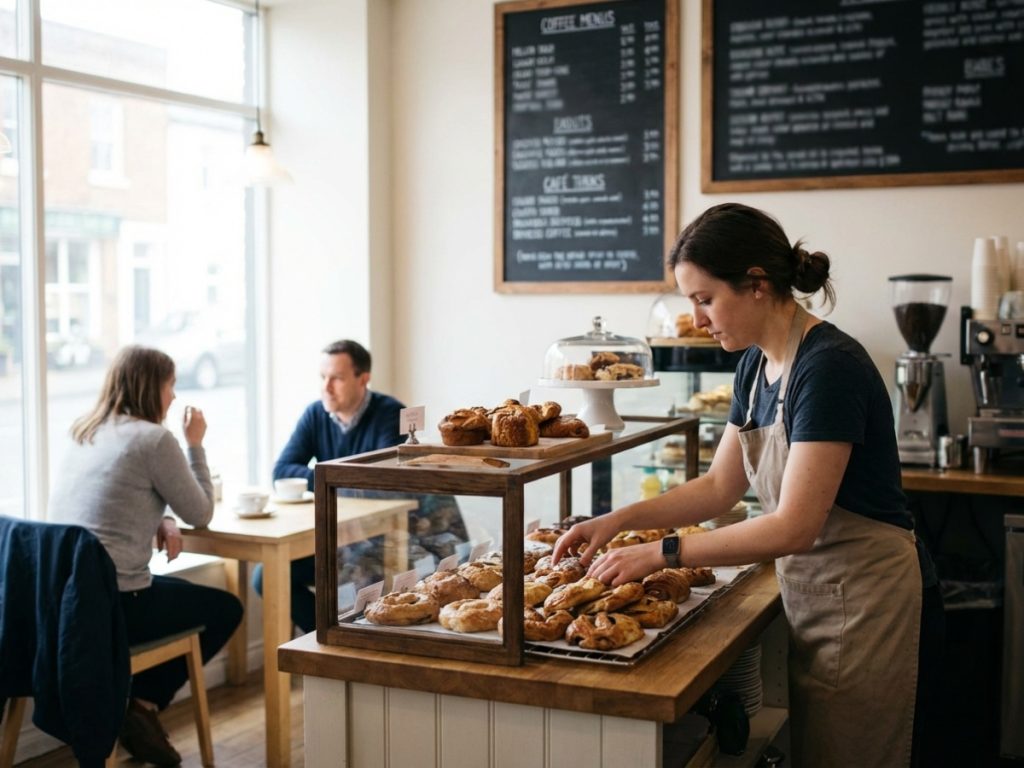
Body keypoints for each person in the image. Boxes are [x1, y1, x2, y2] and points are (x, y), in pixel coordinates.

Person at [553, 203, 943, 768]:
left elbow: (796, 525)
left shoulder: (828, 367)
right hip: (818, 591)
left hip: (869, 599)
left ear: (757, 284)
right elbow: (718, 488)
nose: (697, 319)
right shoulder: (755, 366)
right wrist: (617, 521)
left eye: (705, 299)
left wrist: (662, 552)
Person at [49, 345, 243, 767]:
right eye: (170, 385)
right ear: (150, 386)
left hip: (61, 601)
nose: (174, 397)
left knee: (182, 594)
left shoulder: (85, 430)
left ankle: (132, 702)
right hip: (114, 603)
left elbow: (117, 496)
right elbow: (202, 513)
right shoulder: (154, 438)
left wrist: (163, 516)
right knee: (226, 608)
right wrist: (196, 444)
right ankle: (142, 702)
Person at [254, 339, 466, 632]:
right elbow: (282, 471)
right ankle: (326, 637)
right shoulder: (316, 414)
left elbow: (380, 480)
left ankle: (353, 637)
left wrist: (325, 478)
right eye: (323, 378)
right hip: (338, 534)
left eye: (337, 378)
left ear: (363, 379)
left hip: (389, 534)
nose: (326, 387)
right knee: (267, 575)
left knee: (360, 574)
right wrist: (333, 480)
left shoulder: (389, 413)